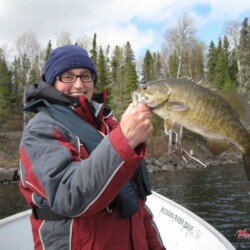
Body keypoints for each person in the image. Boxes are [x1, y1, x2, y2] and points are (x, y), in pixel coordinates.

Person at [19, 44, 166, 250]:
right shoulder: (40, 130)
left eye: (85, 76)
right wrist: (124, 140)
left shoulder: (109, 125)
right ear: (52, 82)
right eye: (67, 77)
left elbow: (137, 205)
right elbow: (68, 196)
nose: (79, 84)